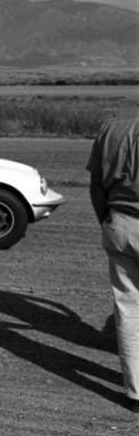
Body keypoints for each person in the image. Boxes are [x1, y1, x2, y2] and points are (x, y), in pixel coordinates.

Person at [86, 116, 139, 412]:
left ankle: (135, 393)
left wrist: (105, 221)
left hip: (119, 223)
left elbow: (96, 183)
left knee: (129, 310)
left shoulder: (111, 128)